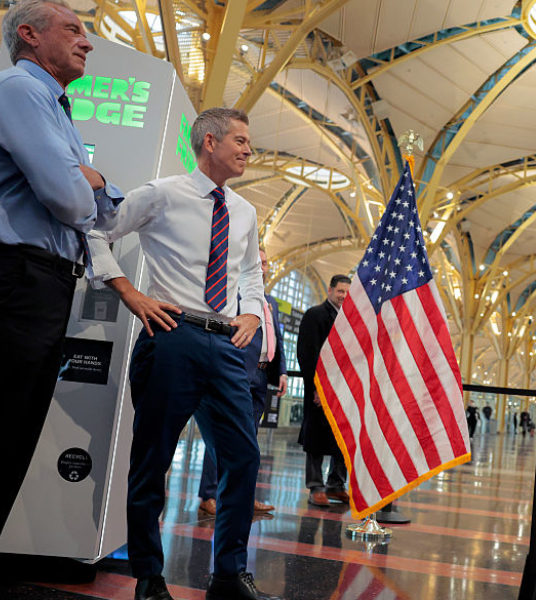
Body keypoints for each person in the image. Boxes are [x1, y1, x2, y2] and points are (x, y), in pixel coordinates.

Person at [0, 2, 121, 595]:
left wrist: (89, 184)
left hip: (40, 282)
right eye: (74, 29)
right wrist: (90, 182)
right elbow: (72, 199)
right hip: (9, 277)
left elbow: (102, 210)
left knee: (9, 437)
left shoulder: (54, 106)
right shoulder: (18, 89)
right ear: (29, 35)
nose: (87, 42)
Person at [88, 106, 266, 600]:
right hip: (171, 335)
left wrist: (252, 313)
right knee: (153, 460)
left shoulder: (245, 211)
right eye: (240, 141)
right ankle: (149, 578)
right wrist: (129, 292)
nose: (249, 150)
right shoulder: (162, 193)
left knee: (243, 457)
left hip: (226, 343)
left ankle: (228, 576)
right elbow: (97, 232)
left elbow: (251, 272)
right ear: (210, 142)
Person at [198, 248, 286, 516]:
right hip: (236, 372)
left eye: (266, 263)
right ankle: (209, 495)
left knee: (249, 440)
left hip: (262, 376)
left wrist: (281, 372)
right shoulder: (231, 295)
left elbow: (276, 338)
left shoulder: (270, 301)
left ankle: (244, 495)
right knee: (221, 435)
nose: (263, 267)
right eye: (258, 262)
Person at [298, 274, 352, 507]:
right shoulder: (315, 315)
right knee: (316, 438)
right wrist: (316, 388)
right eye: (340, 291)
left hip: (344, 390)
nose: (343, 296)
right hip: (320, 388)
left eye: (347, 292)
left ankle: (336, 485)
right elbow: (307, 355)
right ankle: (316, 486)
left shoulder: (351, 320)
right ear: (330, 291)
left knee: (342, 438)